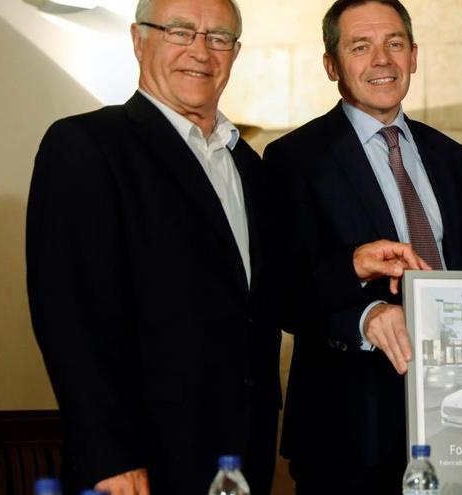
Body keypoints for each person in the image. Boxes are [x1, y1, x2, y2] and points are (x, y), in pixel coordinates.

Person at [27, 0, 281, 493]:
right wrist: (110, 457)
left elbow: (262, 300)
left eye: (218, 37)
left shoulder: (249, 165)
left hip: (243, 458)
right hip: (143, 462)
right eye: (180, 32)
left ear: (236, 52)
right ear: (138, 39)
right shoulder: (86, 146)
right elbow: (70, 317)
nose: (200, 52)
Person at [263, 0, 462, 492]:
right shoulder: (293, 159)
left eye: (395, 44)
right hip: (349, 432)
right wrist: (364, 314)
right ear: (332, 64)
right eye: (362, 47)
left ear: (414, 56)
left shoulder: (449, 155)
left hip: (456, 423)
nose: (382, 60)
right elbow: (281, 291)